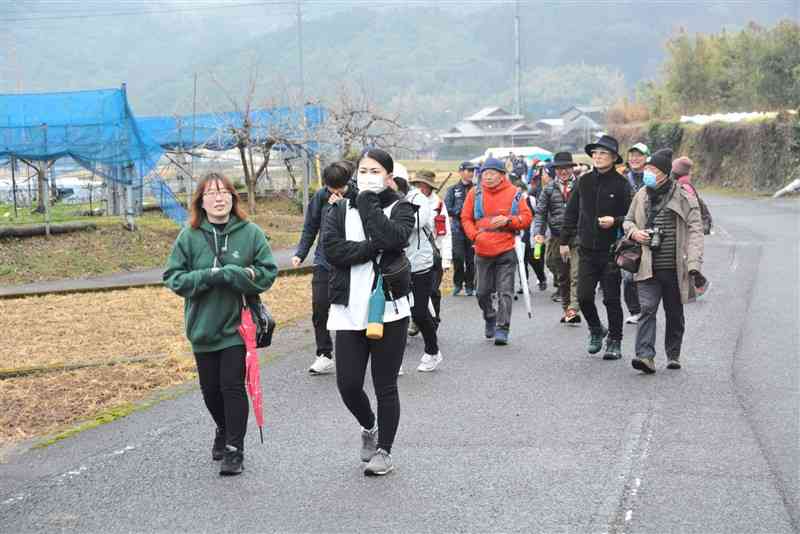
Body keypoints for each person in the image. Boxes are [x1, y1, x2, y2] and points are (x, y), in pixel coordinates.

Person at [164, 172, 278, 476]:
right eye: (211, 193)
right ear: (200, 201)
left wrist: (237, 274)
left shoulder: (250, 232)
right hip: (202, 327)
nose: (218, 198)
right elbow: (173, 278)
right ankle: (224, 428)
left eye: (224, 192)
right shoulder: (189, 235)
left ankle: (234, 449)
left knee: (232, 386)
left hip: (237, 327)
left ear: (232, 197)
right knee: (210, 391)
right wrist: (207, 277)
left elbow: (268, 272)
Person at [323, 148, 415, 476]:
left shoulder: (401, 206)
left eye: (375, 171)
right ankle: (369, 425)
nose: (367, 176)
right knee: (348, 384)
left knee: (385, 383)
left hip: (388, 308)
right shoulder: (337, 209)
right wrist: (370, 248)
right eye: (363, 170)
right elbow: (332, 250)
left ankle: (385, 451)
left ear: (389, 176)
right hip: (349, 307)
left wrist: (369, 204)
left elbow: (394, 237)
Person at [623, 149, 705, 373]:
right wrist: (634, 233)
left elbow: (696, 230)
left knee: (674, 312)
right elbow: (628, 220)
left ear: (665, 174)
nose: (647, 172)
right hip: (647, 264)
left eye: (653, 169)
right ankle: (645, 356)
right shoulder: (641, 195)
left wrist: (694, 264)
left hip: (674, 266)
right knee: (647, 309)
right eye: (647, 168)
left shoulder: (684, 197)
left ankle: (673, 354)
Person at [561, 135, 632, 360]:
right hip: (586, 249)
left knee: (611, 299)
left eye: (603, 153)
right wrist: (564, 240)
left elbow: (631, 216)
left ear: (613, 158)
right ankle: (596, 329)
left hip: (611, 250)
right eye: (596, 153)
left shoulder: (621, 184)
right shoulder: (584, 181)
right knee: (583, 297)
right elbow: (571, 211)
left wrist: (616, 220)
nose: (598, 157)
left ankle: (615, 340)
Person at [292, 161, 358, 375]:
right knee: (320, 306)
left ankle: (356, 352)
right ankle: (324, 354)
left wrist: (342, 205)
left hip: (350, 260)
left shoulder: (358, 196)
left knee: (350, 307)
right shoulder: (320, 196)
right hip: (324, 259)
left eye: (339, 187)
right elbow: (310, 226)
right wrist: (300, 253)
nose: (335, 191)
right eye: (331, 188)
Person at [461, 158, 533, 345]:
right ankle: (490, 316)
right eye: (485, 173)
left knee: (505, 291)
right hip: (482, 248)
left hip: (506, 248)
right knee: (482, 292)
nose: (488, 177)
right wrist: (475, 236)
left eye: (492, 173)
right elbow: (466, 218)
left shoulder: (515, 193)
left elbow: (526, 218)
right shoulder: (474, 193)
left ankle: (503, 328)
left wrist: (509, 221)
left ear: (502, 176)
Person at [533, 151, 581, 324]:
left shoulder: (582, 186)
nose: (563, 171)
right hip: (556, 237)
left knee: (576, 274)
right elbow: (540, 213)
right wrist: (538, 233)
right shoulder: (549, 189)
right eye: (560, 168)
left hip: (578, 237)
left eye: (567, 168)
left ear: (572, 168)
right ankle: (567, 307)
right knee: (561, 274)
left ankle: (573, 308)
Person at [404, 169, 444, 372]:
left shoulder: (423, 201)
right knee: (394, 315)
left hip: (421, 263)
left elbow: (415, 223)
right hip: (392, 265)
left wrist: (447, 258)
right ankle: (393, 360)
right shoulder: (377, 199)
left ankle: (432, 350)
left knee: (419, 313)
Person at [622, 142, 650, 325]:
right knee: (628, 273)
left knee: (650, 273)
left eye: (639, 155)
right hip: (627, 231)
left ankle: (648, 308)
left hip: (650, 231)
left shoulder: (653, 177)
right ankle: (635, 309)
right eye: (632, 155)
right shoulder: (623, 179)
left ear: (647, 158)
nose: (634, 158)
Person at [445, 161, 477, 296]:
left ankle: (470, 285)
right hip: (457, 228)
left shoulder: (477, 189)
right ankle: (458, 283)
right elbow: (447, 207)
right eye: (468, 170)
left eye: (472, 171)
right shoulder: (453, 189)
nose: (471, 173)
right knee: (458, 257)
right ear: (461, 172)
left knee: (471, 258)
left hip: (472, 227)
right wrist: (460, 212)